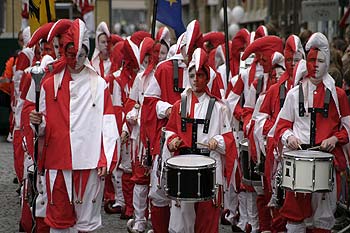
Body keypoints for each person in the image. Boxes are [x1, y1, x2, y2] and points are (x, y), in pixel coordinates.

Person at [29, 18, 119, 232]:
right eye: (71, 54)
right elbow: (44, 126)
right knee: (58, 221)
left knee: (86, 223)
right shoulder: (49, 83)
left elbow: (108, 122)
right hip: (57, 161)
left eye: (80, 54)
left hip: (89, 160)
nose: (76, 60)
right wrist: (38, 123)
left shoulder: (99, 83)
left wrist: (107, 156)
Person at [274, 32, 350, 233]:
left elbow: (348, 130)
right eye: (311, 60)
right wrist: (289, 137)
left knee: (323, 218)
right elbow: (281, 126)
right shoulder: (293, 94)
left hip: (327, 163)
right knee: (295, 217)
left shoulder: (339, 96)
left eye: (321, 60)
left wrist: (335, 138)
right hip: (298, 163)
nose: (315, 65)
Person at [165, 47, 236, 233]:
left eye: (200, 75)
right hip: (184, 166)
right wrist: (172, 141)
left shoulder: (220, 108)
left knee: (208, 218)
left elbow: (229, 139)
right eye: (192, 75)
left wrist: (217, 141)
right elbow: (170, 130)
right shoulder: (179, 105)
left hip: (210, 167)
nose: (196, 79)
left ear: (207, 77)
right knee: (182, 220)